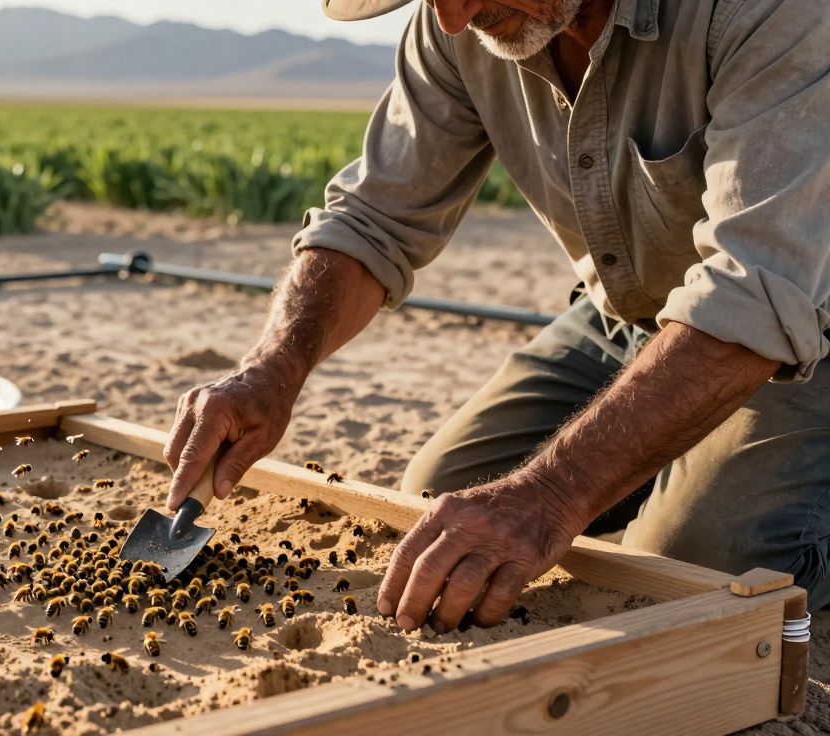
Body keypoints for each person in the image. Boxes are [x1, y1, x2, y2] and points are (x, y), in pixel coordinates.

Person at [162, 0, 829, 633]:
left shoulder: (770, 13)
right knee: (435, 503)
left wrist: (554, 492)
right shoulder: (457, 23)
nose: (453, 17)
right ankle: (671, 464)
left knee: (701, 567)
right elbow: (374, 217)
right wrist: (271, 368)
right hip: (635, 315)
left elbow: (754, 291)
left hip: (792, 329)